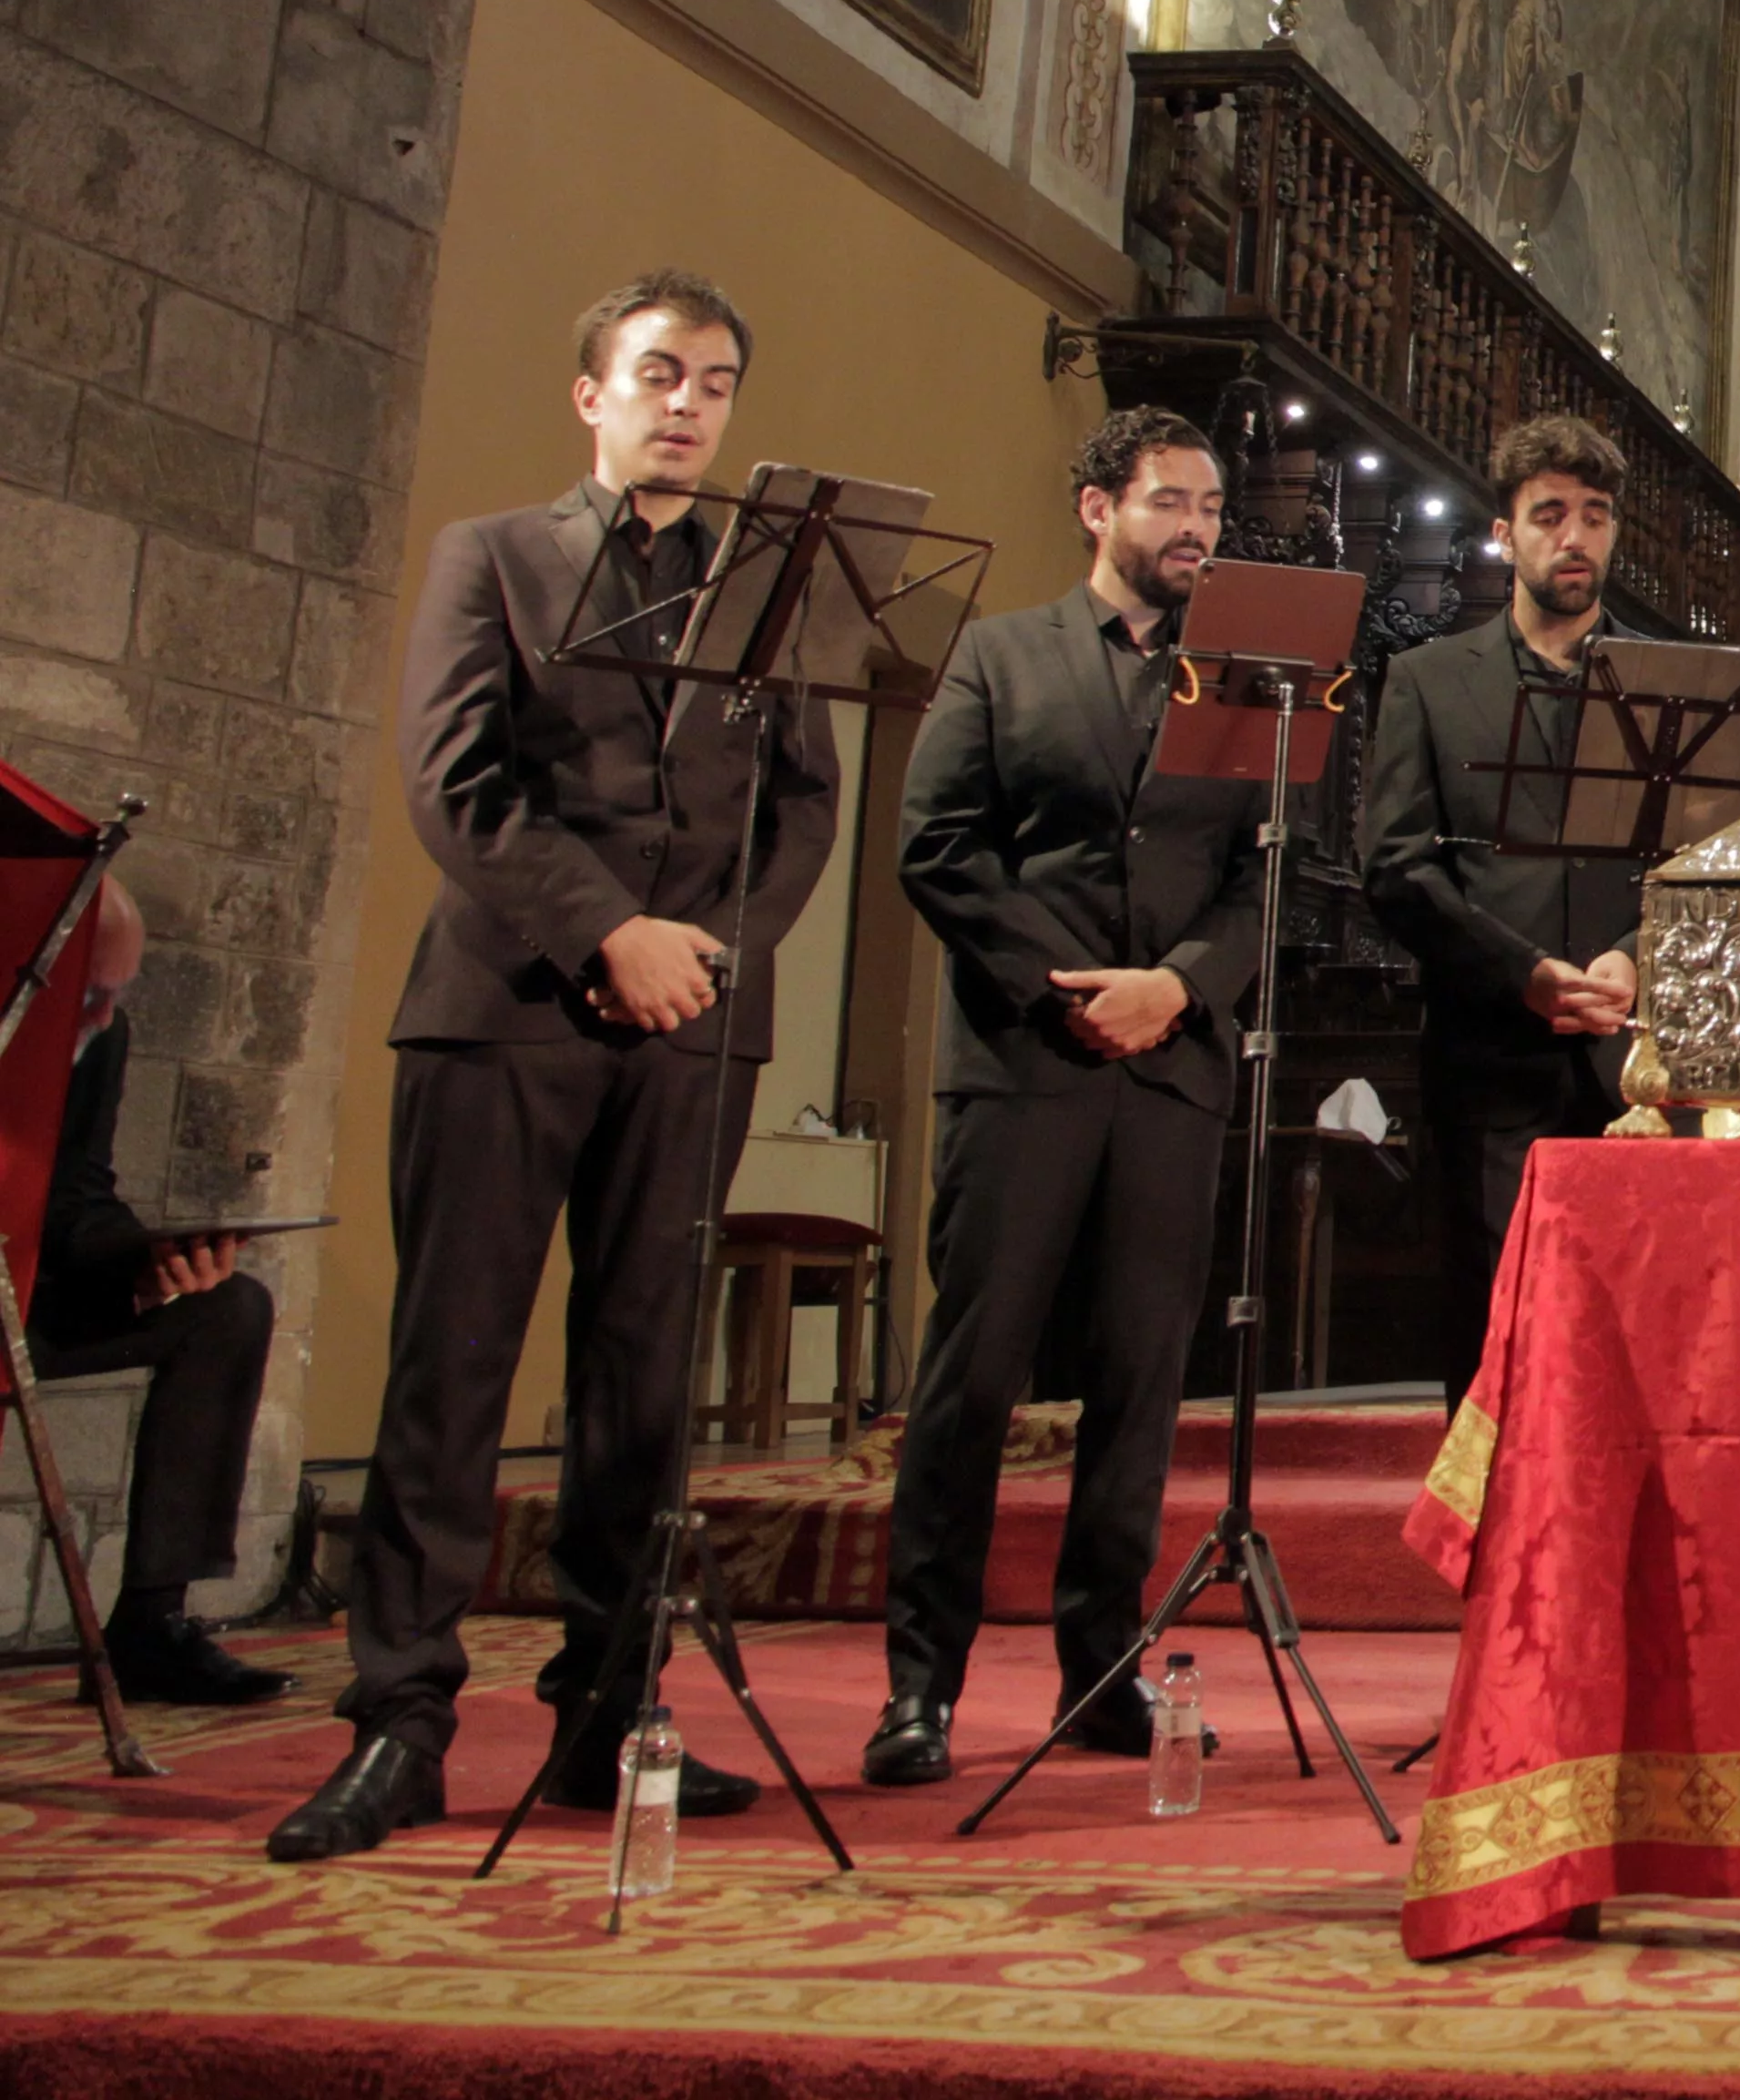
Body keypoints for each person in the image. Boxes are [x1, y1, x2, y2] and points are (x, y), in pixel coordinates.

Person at [272, 271, 843, 1862]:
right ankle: (401, 1721)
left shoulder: (769, 584)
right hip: (510, 1002)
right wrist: (613, 935)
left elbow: (803, 806)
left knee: (641, 1379)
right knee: (451, 1371)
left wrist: (709, 949)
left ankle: (611, 1713)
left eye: (716, 383)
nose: (688, 404)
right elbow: (455, 778)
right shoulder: (495, 554)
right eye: (658, 373)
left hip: (695, 1021)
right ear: (589, 392)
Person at [861, 409, 1274, 1790]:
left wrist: (1180, 987)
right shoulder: (1000, 654)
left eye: (1212, 506)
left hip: (1171, 1073)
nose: (1198, 530)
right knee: (972, 1380)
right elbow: (937, 848)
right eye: (1171, 501)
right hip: (1024, 1065)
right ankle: (920, 1685)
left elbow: (1266, 879)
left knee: (1140, 1390)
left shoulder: (1246, 683)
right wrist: (1069, 988)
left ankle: (1101, 1670)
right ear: (1099, 510)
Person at [1361, 415, 1659, 1412]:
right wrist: (1525, 974)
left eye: (1595, 516)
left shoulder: (1674, 687)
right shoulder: (1427, 682)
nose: (1574, 538)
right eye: (1549, 517)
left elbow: (1701, 865)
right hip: (1491, 1059)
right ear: (1505, 535)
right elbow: (1398, 869)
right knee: (1496, 1346)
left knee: (1636, 1345)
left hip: (1635, 1067)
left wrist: (1629, 959)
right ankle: (1491, 1561)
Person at [25, 882, 289, 1707]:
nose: (104, 1016)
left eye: (118, 994)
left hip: (23, 1299)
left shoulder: (99, 1037)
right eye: (89, 995)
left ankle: (150, 1627)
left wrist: (149, 1262)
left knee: (227, 1308)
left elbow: (76, 1202)